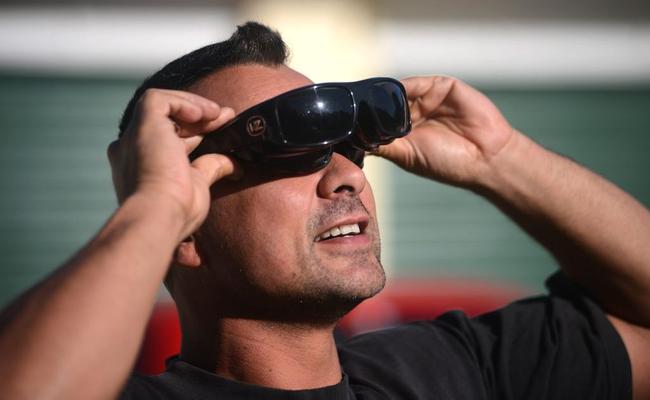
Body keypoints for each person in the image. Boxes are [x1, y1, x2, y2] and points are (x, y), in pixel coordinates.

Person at [0, 21, 648, 399]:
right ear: (186, 226)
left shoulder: (449, 373)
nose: (346, 178)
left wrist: (500, 159)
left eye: (352, 148)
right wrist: (152, 209)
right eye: (291, 152)